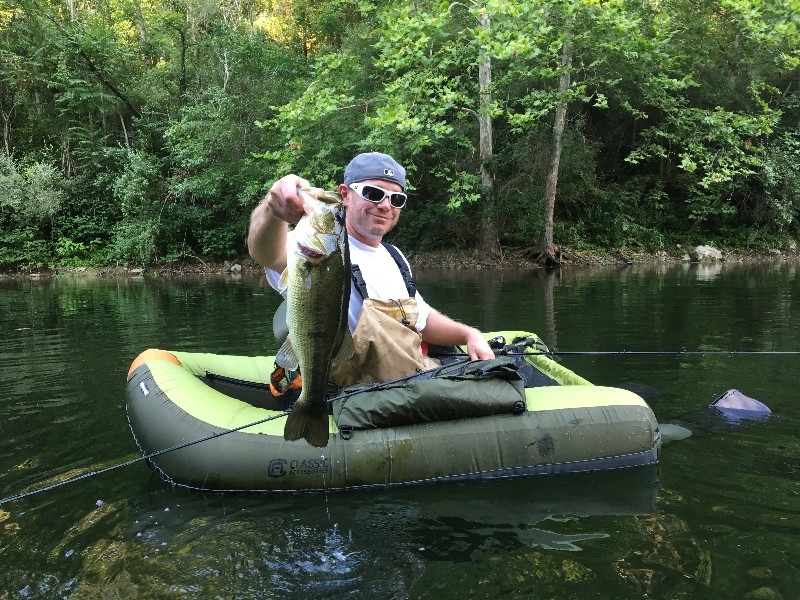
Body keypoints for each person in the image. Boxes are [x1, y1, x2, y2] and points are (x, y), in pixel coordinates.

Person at [247, 151, 494, 386]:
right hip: (359, 390)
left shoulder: (395, 257)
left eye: (396, 198)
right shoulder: (314, 249)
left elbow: (422, 319)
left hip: (410, 380)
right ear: (345, 194)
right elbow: (265, 252)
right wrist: (273, 211)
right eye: (373, 193)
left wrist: (469, 334)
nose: (386, 205)